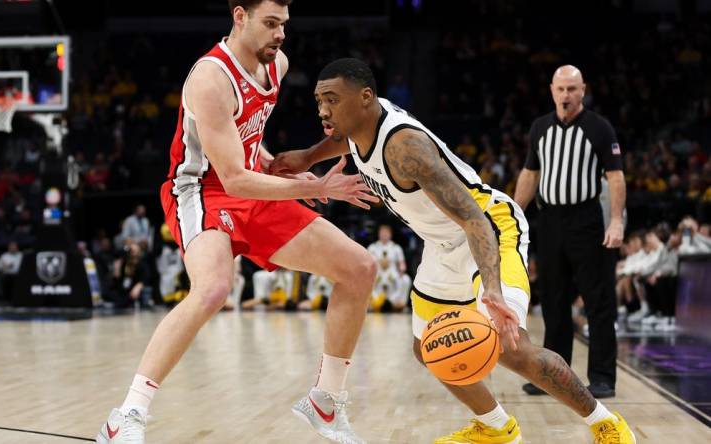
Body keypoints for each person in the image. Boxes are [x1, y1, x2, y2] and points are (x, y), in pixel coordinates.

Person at [271, 58, 635, 444]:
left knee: (511, 348)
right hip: (442, 242)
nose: (323, 110)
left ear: (365, 98)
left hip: (489, 229)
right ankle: (497, 428)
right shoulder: (360, 123)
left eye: (331, 99)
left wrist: (492, 289)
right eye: (318, 100)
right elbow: (341, 137)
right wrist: (308, 157)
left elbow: (474, 219)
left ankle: (606, 423)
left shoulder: (405, 147)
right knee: (426, 346)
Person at [96, 3, 378, 443]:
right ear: (240, 16)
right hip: (199, 189)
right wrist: (314, 188)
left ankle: (326, 401)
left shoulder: (276, 64)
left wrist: (272, 162)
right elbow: (231, 177)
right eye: (270, 24)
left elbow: (246, 137)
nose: (280, 34)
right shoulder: (209, 80)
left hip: (250, 183)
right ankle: (126, 415)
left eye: (284, 23)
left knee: (360, 269)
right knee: (211, 289)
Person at [514, 65, 625, 399]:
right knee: (553, 301)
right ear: (551, 90)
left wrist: (616, 220)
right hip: (550, 222)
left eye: (572, 89)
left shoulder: (599, 128)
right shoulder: (540, 128)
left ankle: (603, 377)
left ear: (583, 90)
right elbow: (530, 174)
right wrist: (514, 214)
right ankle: (553, 376)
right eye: (561, 89)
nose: (566, 95)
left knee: (598, 300)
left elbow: (616, 177)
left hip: (586, 220)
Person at [367, 224, 411, 311]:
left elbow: (402, 263)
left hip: (392, 274)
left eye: (386, 233)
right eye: (382, 233)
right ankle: (370, 303)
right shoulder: (372, 247)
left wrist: (402, 270)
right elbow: (367, 262)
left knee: (406, 279)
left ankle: (399, 303)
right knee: (364, 279)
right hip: (377, 273)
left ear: (390, 234)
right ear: (379, 234)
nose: (384, 235)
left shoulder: (396, 248)